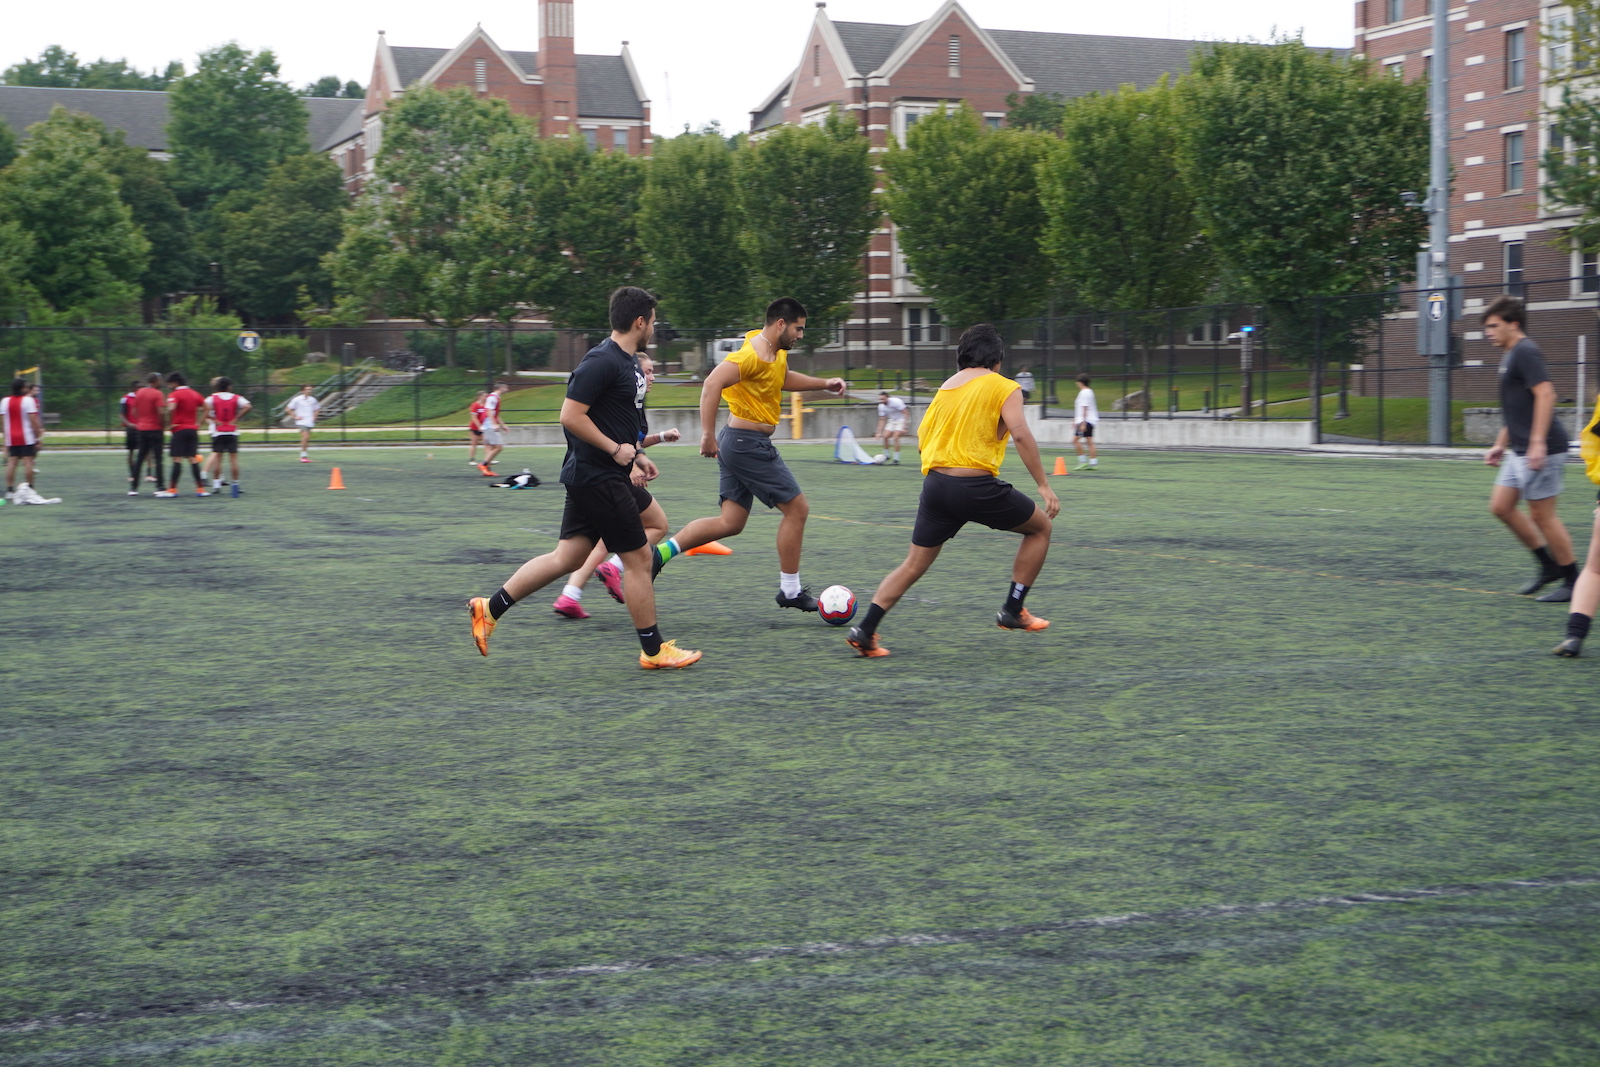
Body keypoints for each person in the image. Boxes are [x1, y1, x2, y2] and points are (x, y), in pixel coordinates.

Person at [468, 286, 701, 669]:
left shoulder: (627, 364)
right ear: (639, 322)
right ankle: (654, 650)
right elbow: (570, 415)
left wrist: (638, 454)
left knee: (569, 556)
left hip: (599, 474)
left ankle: (488, 608)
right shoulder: (602, 360)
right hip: (599, 476)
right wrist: (614, 450)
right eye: (654, 321)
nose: (655, 328)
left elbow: (618, 420)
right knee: (640, 559)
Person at [846, 323, 1061, 658]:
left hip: (935, 486)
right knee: (1041, 528)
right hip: (974, 486)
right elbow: (1020, 434)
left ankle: (865, 629)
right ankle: (1013, 609)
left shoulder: (946, 388)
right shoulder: (1005, 386)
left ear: (961, 358)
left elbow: (922, 439)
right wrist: (1044, 485)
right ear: (998, 361)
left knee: (913, 564)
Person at [649, 297, 847, 611]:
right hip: (746, 444)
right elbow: (712, 383)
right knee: (797, 510)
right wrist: (706, 435)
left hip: (740, 442)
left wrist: (825, 382)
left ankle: (658, 555)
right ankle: (791, 591)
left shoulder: (775, 352)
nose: (801, 335)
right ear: (781, 323)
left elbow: (782, 379)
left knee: (731, 521)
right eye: (798, 328)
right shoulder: (751, 355)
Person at [553, 352, 682, 618]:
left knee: (585, 546)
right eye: (647, 372)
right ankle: (614, 571)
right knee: (655, 525)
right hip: (606, 476)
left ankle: (570, 594)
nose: (651, 377)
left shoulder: (634, 401)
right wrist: (633, 465)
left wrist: (658, 438)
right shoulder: (621, 395)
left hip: (594, 476)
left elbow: (634, 442)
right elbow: (615, 438)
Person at [1482, 295, 1577, 602]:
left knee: (1542, 515)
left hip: (1543, 448)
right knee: (1501, 507)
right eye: (1486, 327)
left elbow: (1546, 394)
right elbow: (1518, 406)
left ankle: (1573, 580)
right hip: (1518, 449)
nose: (1488, 332)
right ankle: (1548, 566)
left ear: (1514, 324)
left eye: (1494, 326)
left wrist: (1537, 442)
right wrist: (1500, 443)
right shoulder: (1510, 354)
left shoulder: (1525, 351)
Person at [204, 377, 252, 492]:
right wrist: (237, 418)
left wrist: (213, 419)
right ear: (229, 387)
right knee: (233, 459)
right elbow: (248, 406)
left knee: (218, 459)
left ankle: (216, 485)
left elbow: (203, 407)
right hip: (232, 431)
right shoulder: (236, 397)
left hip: (218, 432)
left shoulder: (212, 398)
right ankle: (235, 485)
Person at [165, 373, 209, 496]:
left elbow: (171, 408)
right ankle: (200, 489)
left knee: (177, 459)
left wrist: (170, 423)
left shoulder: (174, 394)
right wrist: (199, 423)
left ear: (175, 383)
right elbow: (207, 408)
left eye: (169, 384)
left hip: (179, 430)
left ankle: (172, 489)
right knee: (193, 459)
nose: (169, 387)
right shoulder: (195, 393)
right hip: (192, 430)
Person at [3, 377, 44, 499]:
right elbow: (33, 419)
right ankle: (30, 489)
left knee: (12, 462)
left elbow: (2, 420)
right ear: (22, 388)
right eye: (25, 386)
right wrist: (37, 433)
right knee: (28, 462)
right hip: (26, 436)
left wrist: (5, 435)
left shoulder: (5, 401)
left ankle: (10, 490)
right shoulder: (28, 400)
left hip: (11, 436)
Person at [127, 373, 167, 496]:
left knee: (140, 458)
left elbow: (134, 411)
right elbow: (161, 412)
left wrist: (141, 421)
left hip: (142, 429)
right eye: (160, 380)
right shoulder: (158, 393)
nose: (161, 382)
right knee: (158, 459)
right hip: (155, 429)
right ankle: (160, 487)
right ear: (155, 381)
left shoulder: (139, 393)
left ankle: (134, 488)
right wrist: (162, 425)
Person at [477, 382, 509, 476]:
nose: (507, 390)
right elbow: (489, 411)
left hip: (488, 425)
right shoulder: (492, 398)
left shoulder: (496, 398)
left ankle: (486, 470)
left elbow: (495, 414)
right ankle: (483, 465)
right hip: (489, 426)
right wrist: (494, 424)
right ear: (501, 388)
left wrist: (503, 425)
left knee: (489, 448)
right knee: (499, 447)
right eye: (506, 387)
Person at [285, 384, 321, 463]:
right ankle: (303, 456)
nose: (309, 391)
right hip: (301, 421)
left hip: (310, 422)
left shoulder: (313, 399)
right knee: (305, 436)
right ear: (302, 391)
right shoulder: (297, 399)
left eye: (310, 389)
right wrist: (295, 417)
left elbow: (317, 409)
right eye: (307, 389)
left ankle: (304, 455)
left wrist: (314, 417)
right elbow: (288, 409)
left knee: (307, 438)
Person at [1073, 373, 1100, 471]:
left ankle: (1083, 462)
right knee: (1089, 442)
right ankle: (1093, 463)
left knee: (1075, 440)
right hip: (1089, 420)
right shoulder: (1089, 392)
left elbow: (1084, 408)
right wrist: (1075, 420)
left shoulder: (1084, 392)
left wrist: (1083, 423)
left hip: (1086, 421)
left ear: (1080, 383)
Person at [876, 391, 909, 465]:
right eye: (880, 399)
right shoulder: (881, 406)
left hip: (901, 420)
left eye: (883, 399)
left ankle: (896, 459)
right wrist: (878, 432)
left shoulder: (896, 402)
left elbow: (906, 414)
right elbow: (882, 419)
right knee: (885, 437)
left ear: (887, 398)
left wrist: (905, 427)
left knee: (895, 437)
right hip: (892, 420)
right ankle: (886, 455)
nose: (881, 401)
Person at [466, 390, 488, 466]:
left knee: (487, 443)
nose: (486, 398)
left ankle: (487, 459)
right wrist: (479, 427)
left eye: (486, 396)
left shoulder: (486, 405)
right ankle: (472, 459)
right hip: (474, 427)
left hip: (484, 428)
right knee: (474, 444)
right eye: (484, 396)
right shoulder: (474, 405)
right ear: (479, 397)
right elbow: (474, 418)